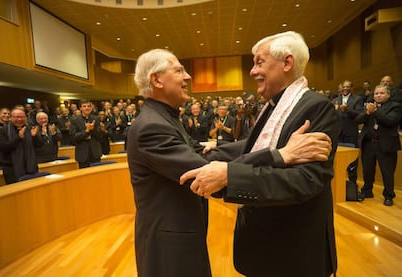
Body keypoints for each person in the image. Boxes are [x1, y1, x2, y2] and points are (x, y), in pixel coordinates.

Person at [127, 48, 333, 277]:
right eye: (179, 70)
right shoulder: (151, 126)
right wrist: (280, 155)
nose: (188, 77)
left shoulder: (164, 117)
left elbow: (202, 155)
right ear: (156, 79)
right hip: (169, 244)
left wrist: (271, 148)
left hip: (179, 235)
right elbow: (202, 169)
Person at [181, 31, 339, 277]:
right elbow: (253, 147)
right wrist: (209, 151)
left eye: (259, 63)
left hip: (292, 250)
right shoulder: (273, 104)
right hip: (265, 243)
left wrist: (230, 176)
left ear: (287, 63)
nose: (252, 71)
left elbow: (306, 180)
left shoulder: (316, 107)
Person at [355, 85, 401, 206]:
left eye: (381, 93)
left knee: (387, 172)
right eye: (376, 93)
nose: (378, 95)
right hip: (369, 144)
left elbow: (390, 120)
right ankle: (367, 191)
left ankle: (388, 195)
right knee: (367, 170)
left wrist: (375, 112)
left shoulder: (395, 106)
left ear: (388, 95)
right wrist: (367, 113)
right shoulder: (369, 106)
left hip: (385, 145)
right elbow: (358, 119)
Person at [0, 108, 43, 184]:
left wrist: (35, 137)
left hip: (30, 166)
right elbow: (2, 147)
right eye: (16, 117)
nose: (19, 119)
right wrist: (18, 138)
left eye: (22, 117)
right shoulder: (3, 130)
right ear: (11, 118)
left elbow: (39, 145)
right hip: (12, 169)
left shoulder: (30, 128)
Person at [332, 80, 363, 183]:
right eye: (343, 87)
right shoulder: (335, 100)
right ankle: (339, 183)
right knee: (337, 158)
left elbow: (359, 114)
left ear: (351, 88)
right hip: (338, 134)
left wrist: (347, 110)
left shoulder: (357, 99)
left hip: (351, 133)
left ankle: (352, 184)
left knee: (352, 159)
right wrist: (334, 111)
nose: (345, 89)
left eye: (347, 87)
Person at [70, 99, 102, 168]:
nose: (87, 108)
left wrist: (92, 129)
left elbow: (100, 136)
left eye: (88, 106)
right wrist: (86, 131)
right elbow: (73, 138)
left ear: (91, 108)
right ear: (80, 108)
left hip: (95, 152)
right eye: (84, 106)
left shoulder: (96, 119)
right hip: (82, 154)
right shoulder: (75, 120)